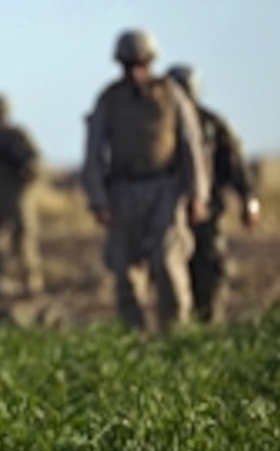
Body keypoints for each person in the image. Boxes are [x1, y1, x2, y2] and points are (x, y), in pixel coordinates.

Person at [82, 30, 209, 334]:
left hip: (165, 188)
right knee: (125, 270)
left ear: (151, 61)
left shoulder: (171, 95)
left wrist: (197, 194)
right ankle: (134, 335)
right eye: (128, 64)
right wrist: (98, 199)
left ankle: (176, 331)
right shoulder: (109, 100)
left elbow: (191, 145)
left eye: (141, 63)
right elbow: (94, 151)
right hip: (123, 191)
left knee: (167, 262)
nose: (135, 71)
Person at [166, 64, 260, 324]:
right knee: (172, 268)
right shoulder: (159, 127)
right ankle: (179, 325)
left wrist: (249, 200)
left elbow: (235, 165)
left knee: (211, 265)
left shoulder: (212, 125)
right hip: (169, 210)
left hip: (208, 209)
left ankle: (209, 321)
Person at [0, 94, 45, 298]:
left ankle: (31, 280)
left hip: (19, 193)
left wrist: (25, 175)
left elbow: (35, 161)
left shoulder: (18, 136)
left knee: (24, 237)